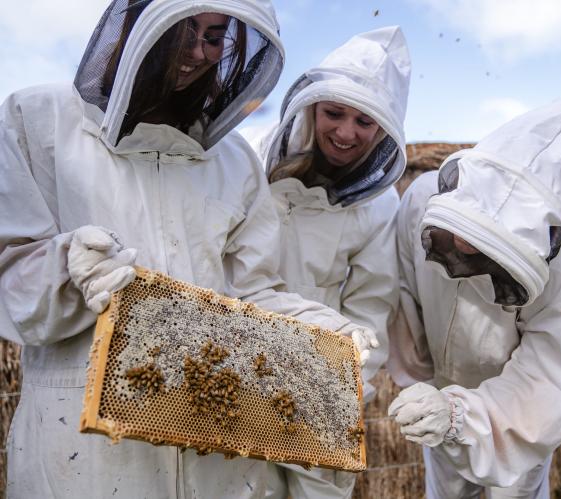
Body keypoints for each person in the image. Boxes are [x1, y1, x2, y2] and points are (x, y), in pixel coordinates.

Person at [0, 0, 378, 497]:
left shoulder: (234, 160)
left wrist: (325, 333)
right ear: (137, 27)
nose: (198, 52)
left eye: (216, 36)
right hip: (84, 459)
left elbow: (253, 293)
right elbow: (9, 280)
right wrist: (66, 268)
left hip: (216, 455)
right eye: (184, 30)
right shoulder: (37, 121)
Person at [387, 99, 561, 498]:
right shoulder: (419, 200)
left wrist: (462, 416)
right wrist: (423, 388)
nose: (464, 242)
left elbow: (552, 376)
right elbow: (407, 294)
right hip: (440, 392)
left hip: (517, 415)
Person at [255, 26, 411, 499]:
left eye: (365, 122)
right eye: (334, 113)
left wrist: (336, 392)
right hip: (236, 360)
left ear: (385, 127)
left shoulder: (380, 206)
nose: (346, 133)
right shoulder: (246, 162)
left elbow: (370, 309)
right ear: (311, 107)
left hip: (321, 385)